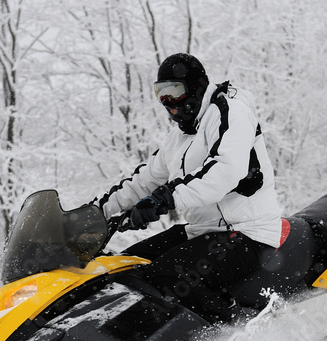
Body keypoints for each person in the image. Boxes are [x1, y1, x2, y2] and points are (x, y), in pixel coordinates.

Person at [96, 53, 284, 324]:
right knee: (128, 268)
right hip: (205, 232)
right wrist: (95, 212)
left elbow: (225, 170)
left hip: (247, 233)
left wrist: (165, 199)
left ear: (198, 86)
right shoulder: (181, 136)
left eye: (174, 91)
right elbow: (143, 181)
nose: (168, 102)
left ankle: (233, 337)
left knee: (167, 278)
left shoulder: (228, 111)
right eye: (161, 94)